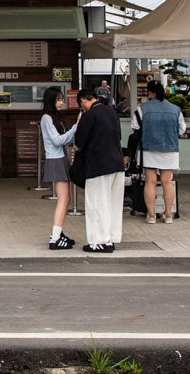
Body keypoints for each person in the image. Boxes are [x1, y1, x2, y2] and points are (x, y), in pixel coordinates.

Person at [73, 86, 126, 253]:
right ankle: (110, 238)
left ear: (83, 100)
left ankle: (98, 241)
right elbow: (118, 137)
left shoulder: (89, 115)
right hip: (117, 164)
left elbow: (79, 142)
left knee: (97, 203)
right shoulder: (112, 112)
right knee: (113, 204)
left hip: (98, 165)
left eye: (81, 106)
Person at [132, 80, 186, 224]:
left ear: (150, 93)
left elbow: (135, 127)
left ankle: (151, 215)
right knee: (167, 182)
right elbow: (182, 130)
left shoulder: (142, 108)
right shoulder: (175, 109)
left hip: (149, 149)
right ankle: (168, 214)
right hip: (170, 149)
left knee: (150, 181)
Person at [39, 86, 79, 250]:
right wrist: (75, 128)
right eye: (59, 99)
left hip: (60, 159)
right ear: (52, 101)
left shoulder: (54, 117)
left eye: (62, 99)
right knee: (63, 200)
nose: (61, 102)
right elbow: (57, 140)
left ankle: (58, 233)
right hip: (55, 160)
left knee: (66, 199)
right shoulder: (47, 118)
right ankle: (55, 238)